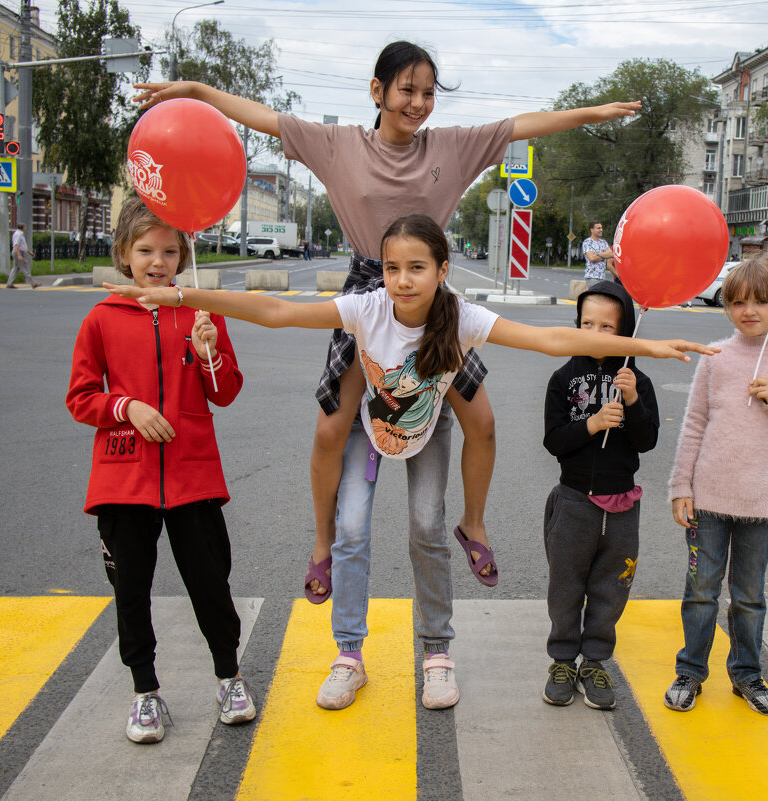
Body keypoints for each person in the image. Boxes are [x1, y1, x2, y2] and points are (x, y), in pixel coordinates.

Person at [105, 213, 716, 712]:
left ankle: (437, 655)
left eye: (416, 268)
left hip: (428, 429)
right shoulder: (368, 308)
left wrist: (645, 346)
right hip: (374, 429)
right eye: (393, 267)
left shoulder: (462, 317)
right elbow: (275, 310)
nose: (402, 280)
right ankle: (349, 655)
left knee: (427, 528)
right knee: (350, 530)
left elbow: (552, 339)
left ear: (442, 271)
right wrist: (179, 292)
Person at [134, 42, 642, 604]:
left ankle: (473, 524)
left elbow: (524, 124)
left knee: (485, 422)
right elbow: (262, 117)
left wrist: (592, 114)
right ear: (378, 91)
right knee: (331, 428)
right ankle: (323, 543)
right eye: (408, 90)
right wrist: (197, 92)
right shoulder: (337, 144)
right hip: (365, 298)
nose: (419, 103)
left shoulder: (451, 146)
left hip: (434, 304)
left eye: (428, 93)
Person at [67, 196, 256, 744]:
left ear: (183, 255)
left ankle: (230, 677)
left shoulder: (200, 310)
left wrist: (207, 353)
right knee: (131, 591)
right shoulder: (101, 318)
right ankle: (144, 693)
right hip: (124, 478)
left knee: (210, 584)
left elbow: (225, 394)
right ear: (124, 254)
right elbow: (81, 398)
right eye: (146, 249)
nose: (159, 261)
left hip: (193, 475)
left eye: (171, 250)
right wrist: (128, 408)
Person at [663, 255, 768, 717]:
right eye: (737, 302)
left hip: (764, 498)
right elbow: (694, 425)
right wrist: (682, 486)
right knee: (701, 589)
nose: (749, 310)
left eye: (761, 301)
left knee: (749, 596)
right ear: (726, 307)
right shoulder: (716, 358)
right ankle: (690, 671)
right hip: (709, 497)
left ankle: (746, 674)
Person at [541, 280, 659, 711]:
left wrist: (631, 402)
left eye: (607, 326)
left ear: (625, 330)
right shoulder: (562, 377)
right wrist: (590, 425)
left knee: (612, 588)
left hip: (623, 504)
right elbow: (553, 440)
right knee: (565, 587)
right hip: (574, 502)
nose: (595, 332)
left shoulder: (636, 378)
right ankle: (561, 661)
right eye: (587, 322)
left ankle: (594, 661)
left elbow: (646, 441)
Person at [581, 222, 618, 287]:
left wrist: (598, 253)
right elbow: (592, 258)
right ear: (592, 230)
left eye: (601, 228)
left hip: (602, 277)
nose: (601, 230)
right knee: (595, 296)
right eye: (598, 228)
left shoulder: (603, 242)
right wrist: (605, 255)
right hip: (592, 277)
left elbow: (611, 254)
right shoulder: (587, 242)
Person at [7, 223, 40, 289]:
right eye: (25, 227)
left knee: (15, 269)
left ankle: (9, 283)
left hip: (19, 252)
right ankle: (33, 283)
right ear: (22, 228)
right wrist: (19, 255)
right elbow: (16, 245)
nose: (26, 228)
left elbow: (22, 246)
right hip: (18, 253)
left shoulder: (20, 234)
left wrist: (29, 252)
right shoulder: (18, 234)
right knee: (25, 268)